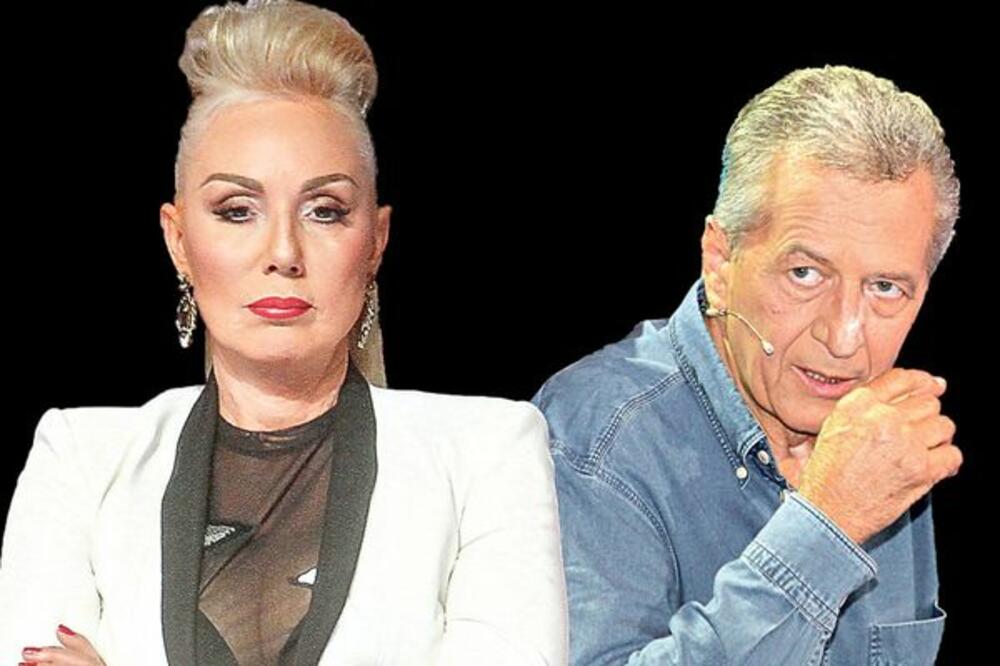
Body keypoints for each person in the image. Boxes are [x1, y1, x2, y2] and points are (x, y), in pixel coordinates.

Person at [0, 1, 567, 664]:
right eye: (237, 210)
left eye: (324, 211)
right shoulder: (80, 460)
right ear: (179, 241)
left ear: (376, 240)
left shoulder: (488, 453)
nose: (283, 253)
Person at [532, 64, 961, 665]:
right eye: (805, 274)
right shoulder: (596, 439)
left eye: (886, 288)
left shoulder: (882, 439)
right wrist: (827, 524)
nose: (844, 337)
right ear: (720, 261)